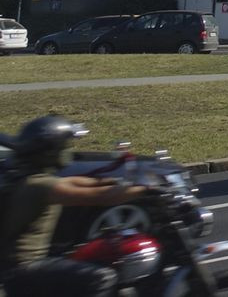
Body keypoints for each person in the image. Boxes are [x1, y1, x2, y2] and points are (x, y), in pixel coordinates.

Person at [0, 116, 147, 297]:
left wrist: (117, 180)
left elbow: (78, 182)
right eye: (64, 147)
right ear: (50, 152)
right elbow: (98, 197)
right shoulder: (40, 186)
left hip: (20, 267)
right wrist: (146, 188)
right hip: (24, 268)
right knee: (101, 277)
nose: (67, 150)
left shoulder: (30, 177)